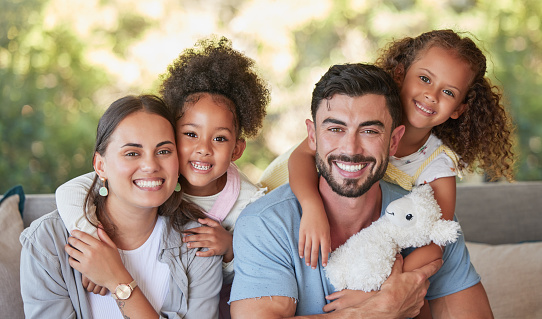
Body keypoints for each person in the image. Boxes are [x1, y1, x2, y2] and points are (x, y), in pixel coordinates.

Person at [229, 63, 491, 318]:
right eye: (335, 129)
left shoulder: (425, 220)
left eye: (369, 130)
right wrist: (380, 310)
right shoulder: (265, 224)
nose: (351, 148)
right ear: (312, 136)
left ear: (394, 141)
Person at [55, 37, 270, 319]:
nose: (203, 149)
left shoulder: (249, 204)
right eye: (190, 135)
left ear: (237, 149)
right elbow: (70, 191)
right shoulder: (157, 171)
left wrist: (230, 248)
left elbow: (258, 269)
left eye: (219, 138)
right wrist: (95, 244)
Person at [20, 95, 222, 318]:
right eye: (132, 153)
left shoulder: (200, 245)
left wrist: (118, 280)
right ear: (100, 165)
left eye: (163, 151)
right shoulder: (48, 242)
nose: (150, 166)